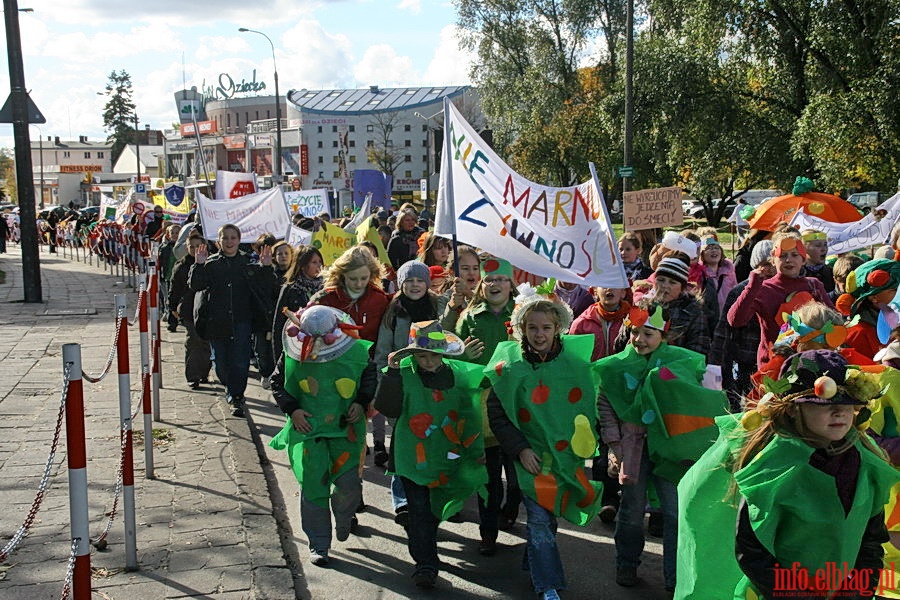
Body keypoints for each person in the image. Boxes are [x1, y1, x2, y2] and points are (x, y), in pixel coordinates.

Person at [676, 350, 895, 599]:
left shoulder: (866, 462)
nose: (840, 413)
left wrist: (855, 592)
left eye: (847, 405)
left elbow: (872, 539)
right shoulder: (774, 465)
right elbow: (752, 550)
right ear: (791, 409)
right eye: (824, 404)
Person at [597, 302, 727, 592]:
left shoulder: (684, 363)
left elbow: (703, 401)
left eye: (649, 334)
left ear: (665, 336)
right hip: (633, 448)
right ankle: (626, 564)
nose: (640, 340)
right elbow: (605, 405)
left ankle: (675, 576)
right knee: (630, 510)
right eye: (635, 333)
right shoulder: (616, 366)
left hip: (672, 449)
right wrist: (614, 445)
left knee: (674, 513)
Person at [486, 291, 603, 600]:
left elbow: (590, 406)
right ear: (522, 328)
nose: (539, 334)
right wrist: (520, 449)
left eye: (546, 328)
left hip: (564, 457)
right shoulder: (509, 367)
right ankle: (548, 584)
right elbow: (497, 414)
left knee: (549, 518)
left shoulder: (575, 364)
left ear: (558, 328)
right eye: (533, 328)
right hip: (530, 457)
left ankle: (535, 559)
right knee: (538, 519)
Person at [373, 321, 486, 589]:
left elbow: (471, 414)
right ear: (412, 354)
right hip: (411, 459)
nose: (429, 361)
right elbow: (387, 407)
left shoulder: (457, 376)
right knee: (419, 511)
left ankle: (425, 547)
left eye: (434, 355)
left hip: (446, 457)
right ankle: (425, 564)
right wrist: (391, 373)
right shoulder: (404, 375)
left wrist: (475, 450)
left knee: (434, 510)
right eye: (422, 355)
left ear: (444, 353)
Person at [269, 306, 378, 567]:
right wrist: (292, 409)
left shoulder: (355, 349)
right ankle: (318, 543)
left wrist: (361, 402)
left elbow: (369, 374)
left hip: (346, 429)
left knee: (349, 484)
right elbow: (278, 382)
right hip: (310, 431)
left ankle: (344, 516)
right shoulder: (292, 353)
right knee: (313, 487)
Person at [454, 257, 519, 552]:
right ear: (482, 284)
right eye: (489, 280)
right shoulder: (469, 316)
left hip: (517, 404)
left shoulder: (522, 313)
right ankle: (488, 532)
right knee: (490, 475)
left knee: (517, 475)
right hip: (483, 406)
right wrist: (463, 355)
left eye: (501, 280)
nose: (495, 285)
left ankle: (511, 508)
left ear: (511, 283)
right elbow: (452, 355)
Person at [189, 224, 276, 416]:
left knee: (240, 360)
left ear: (239, 240)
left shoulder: (248, 263)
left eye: (233, 238)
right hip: (217, 321)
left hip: (242, 320)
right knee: (220, 362)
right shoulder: (211, 263)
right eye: (225, 238)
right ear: (218, 241)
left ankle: (236, 397)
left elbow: (265, 287)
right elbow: (196, 285)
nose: (229, 242)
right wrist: (199, 265)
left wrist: (266, 267)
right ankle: (229, 385)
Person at [570, 285, 631, 523]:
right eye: (605, 285)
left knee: (624, 444)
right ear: (595, 291)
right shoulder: (582, 322)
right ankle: (607, 500)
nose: (610, 290)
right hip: (593, 395)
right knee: (600, 449)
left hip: (624, 393)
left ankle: (626, 495)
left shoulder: (633, 318)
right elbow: (573, 360)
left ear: (624, 292)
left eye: (616, 285)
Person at [728, 231, 834, 368]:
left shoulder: (813, 285)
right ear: (773, 260)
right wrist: (752, 286)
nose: (788, 260)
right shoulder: (763, 288)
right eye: (783, 256)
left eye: (795, 255)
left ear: (803, 259)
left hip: (811, 363)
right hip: (773, 366)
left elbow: (834, 322)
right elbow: (735, 321)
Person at [308, 245, 390, 345]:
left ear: (371, 274)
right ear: (343, 274)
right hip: (336, 357)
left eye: (364, 278)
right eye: (353, 279)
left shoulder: (379, 299)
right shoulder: (326, 299)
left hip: (369, 358)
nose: (359, 284)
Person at [167, 231, 212, 389]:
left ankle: (204, 372)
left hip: (208, 310)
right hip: (189, 310)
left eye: (197, 246)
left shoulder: (211, 263)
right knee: (193, 342)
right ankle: (193, 375)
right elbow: (175, 288)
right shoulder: (181, 266)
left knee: (205, 343)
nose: (194, 249)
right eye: (191, 247)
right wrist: (172, 307)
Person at [650, 255, 711, 355]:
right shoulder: (644, 306)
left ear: (682, 288)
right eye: (660, 280)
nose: (665, 286)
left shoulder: (692, 311)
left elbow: (698, 350)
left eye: (672, 282)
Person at [273, 245, 325, 361]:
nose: (319, 266)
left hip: (321, 348)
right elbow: (279, 325)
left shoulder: (325, 289)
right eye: (314, 262)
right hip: (296, 347)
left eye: (320, 261)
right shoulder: (290, 289)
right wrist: (278, 357)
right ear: (302, 265)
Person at [440, 244, 482, 332]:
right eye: (465, 268)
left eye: (475, 268)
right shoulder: (444, 299)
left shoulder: (485, 294)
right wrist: (451, 308)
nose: (471, 273)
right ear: (452, 272)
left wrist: (470, 295)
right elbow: (442, 331)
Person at [699, 234, 736, 317]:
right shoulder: (699, 273)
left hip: (726, 316)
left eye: (716, 248)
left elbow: (735, 292)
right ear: (702, 254)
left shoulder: (729, 271)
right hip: (707, 318)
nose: (714, 251)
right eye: (709, 248)